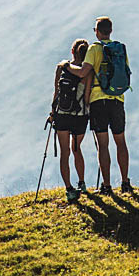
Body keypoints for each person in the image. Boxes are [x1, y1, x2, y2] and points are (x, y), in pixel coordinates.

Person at [79, 15, 132, 194]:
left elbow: (84, 71)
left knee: (103, 145)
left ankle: (107, 186)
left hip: (98, 100)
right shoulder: (120, 48)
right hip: (117, 99)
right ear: (110, 31)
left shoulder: (94, 49)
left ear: (97, 32)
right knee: (121, 142)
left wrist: (67, 67)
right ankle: (125, 183)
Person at [51, 38, 90, 203]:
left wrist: (53, 112)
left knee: (64, 152)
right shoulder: (88, 72)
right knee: (76, 149)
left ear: (72, 51)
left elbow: (56, 93)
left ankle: (69, 189)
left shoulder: (61, 68)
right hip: (80, 116)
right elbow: (87, 98)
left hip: (62, 114)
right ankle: (81, 183)